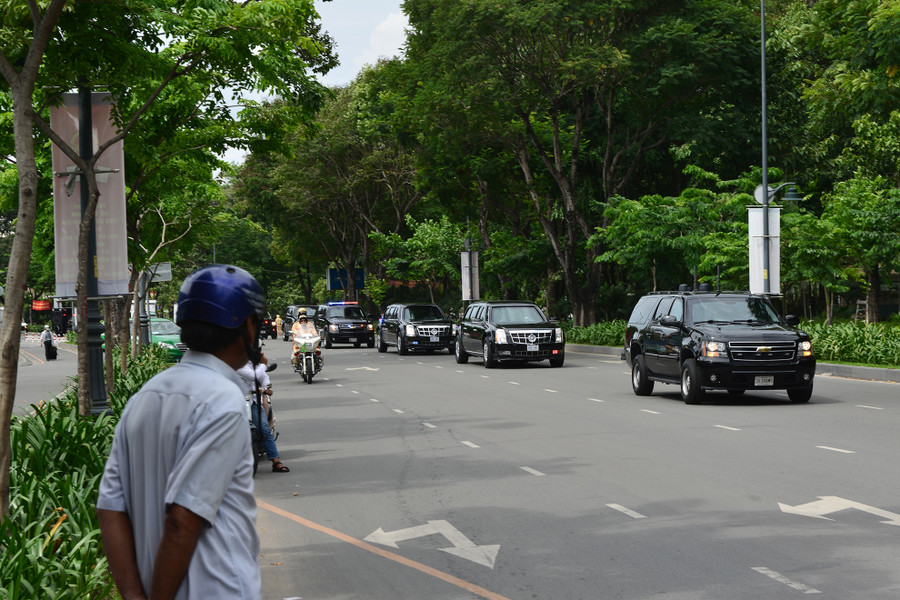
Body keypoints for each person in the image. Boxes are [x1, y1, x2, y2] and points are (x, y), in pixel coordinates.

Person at [96, 264, 265, 600]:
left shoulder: (144, 397)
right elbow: (181, 520)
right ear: (248, 325)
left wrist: (133, 595)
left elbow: (110, 508)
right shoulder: (223, 402)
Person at [237, 352, 288, 472]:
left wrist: (266, 388)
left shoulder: (255, 364)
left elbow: (264, 379)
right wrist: (264, 365)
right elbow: (253, 376)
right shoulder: (237, 363)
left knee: (264, 428)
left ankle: (276, 461)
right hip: (237, 402)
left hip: (254, 401)